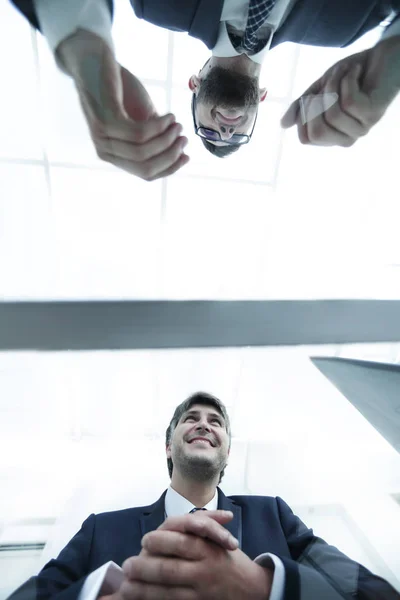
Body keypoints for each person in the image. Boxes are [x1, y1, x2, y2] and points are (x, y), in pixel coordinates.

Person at [7, 391, 400, 600]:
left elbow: (368, 592)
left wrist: (266, 589)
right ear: (167, 446)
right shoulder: (100, 530)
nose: (203, 425)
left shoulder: (275, 516)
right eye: (190, 418)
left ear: (227, 451)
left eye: (216, 422)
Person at [9, 0, 400, 179]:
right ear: (261, 100)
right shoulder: (344, 29)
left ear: (194, 85)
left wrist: (86, 51)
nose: (226, 130)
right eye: (236, 135)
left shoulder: (156, 5)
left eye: (209, 131)